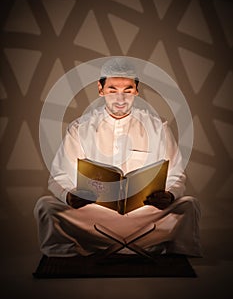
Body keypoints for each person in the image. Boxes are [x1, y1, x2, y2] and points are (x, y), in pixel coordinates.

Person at [34, 57, 202, 258]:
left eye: (128, 90)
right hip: (96, 215)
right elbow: (59, 176)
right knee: (46, 206)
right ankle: (105, 247)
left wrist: (170, 195)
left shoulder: (157, 127)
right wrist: (69, 196)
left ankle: (119, 246)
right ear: (101, 89)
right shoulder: (80, 128)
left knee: (189, 205)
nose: (120, 99)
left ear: (137, 91)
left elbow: (176, 174)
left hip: (145, 214)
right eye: (112, 90)